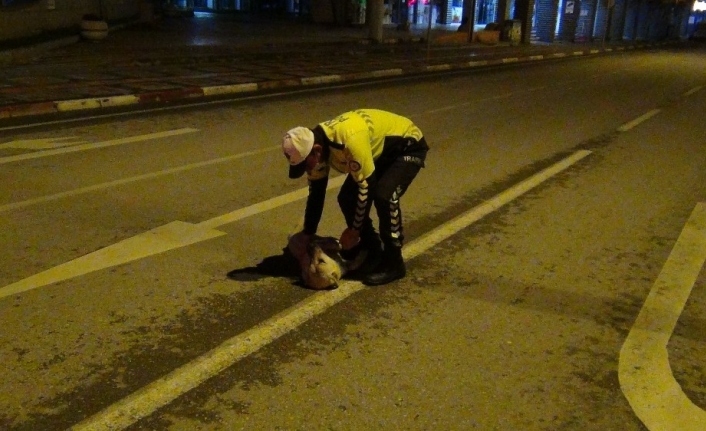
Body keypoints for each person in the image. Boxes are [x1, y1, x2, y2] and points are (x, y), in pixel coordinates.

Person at [282, 109, 429, 286]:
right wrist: (308, 234)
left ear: (317, 150)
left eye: (306, 165)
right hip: (379, 153)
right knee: (346, 197)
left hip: (406, 146)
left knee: (385, 196)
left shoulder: (348, 141)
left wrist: (354, 231)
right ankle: (372, 249)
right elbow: (316, 194)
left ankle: (394, 262)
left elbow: (366, 188)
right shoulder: (316, 149)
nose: (307, 169)